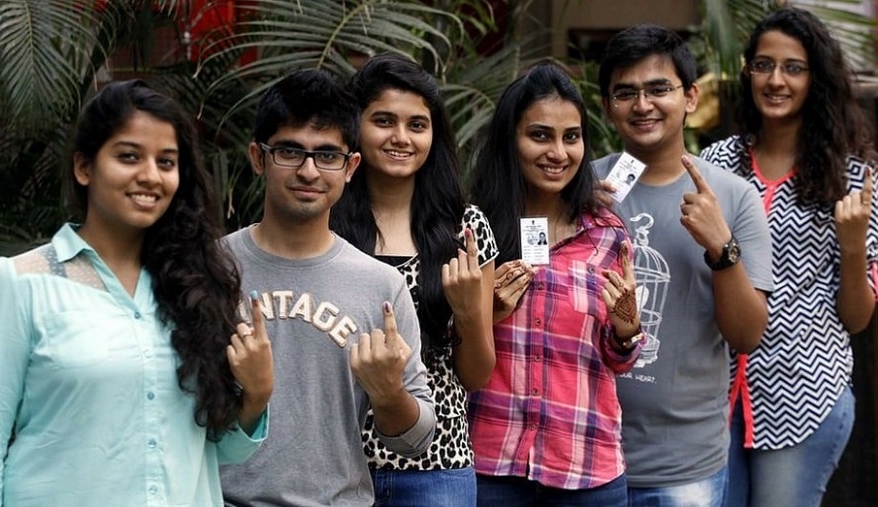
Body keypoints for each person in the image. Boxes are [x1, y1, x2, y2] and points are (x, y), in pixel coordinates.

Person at [0, 80, 273, 507]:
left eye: (166, 161)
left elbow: (216, 450)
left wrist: (257, 394)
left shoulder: (195, 288)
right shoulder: (23, 283)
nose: (151, 176)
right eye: (129, 156)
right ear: (84, 167)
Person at [218, 69, 436, 506]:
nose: (309, 171)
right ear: (258, 157)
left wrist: (388, 392)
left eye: (327, 155)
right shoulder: (211, 268)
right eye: (289, 151)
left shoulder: (381, 284)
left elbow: (416, 439)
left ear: (350, 167)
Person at [700, 7, 878, 506]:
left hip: (802, 396)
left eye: (793, 68)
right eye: (763, 65)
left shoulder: (852, 178)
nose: (775, 80)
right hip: (711, 399)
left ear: (815, 78)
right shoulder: (717, 164)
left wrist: (852, 246)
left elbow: (857, 318)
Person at [594, 24, 773, 505]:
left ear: (691, 97)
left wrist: (722, 247)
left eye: (659, 89)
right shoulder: (584, 189)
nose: (643, 105)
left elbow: (747, 335)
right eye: (625, 93)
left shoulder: (732, 197)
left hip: (684, 465)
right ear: (608, 105)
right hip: (584, 456)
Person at [468, 62, 644, 506]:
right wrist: (483, 314)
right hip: (492, 465)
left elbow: (618, 359)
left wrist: (626, 330)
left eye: (571, 137)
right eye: (540, 135)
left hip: (585, 468)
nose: (559, 153)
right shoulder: (475, 229)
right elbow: (442, 350)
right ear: (511, 139)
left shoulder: (607, 235)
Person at [330, 53, 498, 505]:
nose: (401, 138)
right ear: (355, 127)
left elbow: (476, 375)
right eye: (384, 121)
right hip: (338, 463)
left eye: (417, 125)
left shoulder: (464, 229)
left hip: (436, 466)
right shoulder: (324, 222)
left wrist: (468, 314)